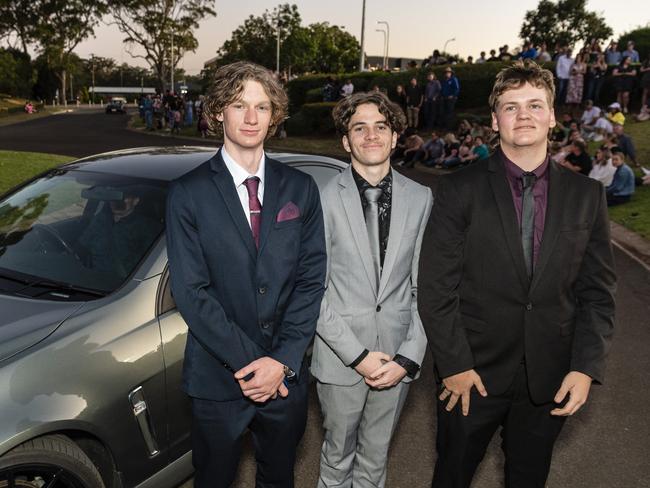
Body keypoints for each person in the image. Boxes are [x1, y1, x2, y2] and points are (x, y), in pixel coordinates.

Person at [419, 60, 616, 488]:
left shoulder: (588, 196)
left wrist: (585, 367)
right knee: (451, 476)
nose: (523, 115)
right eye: (511, 107)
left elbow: (597, 294)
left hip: (551, 377)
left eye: (534, 105)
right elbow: (436, 286)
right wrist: (453, 364)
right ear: (495, 119)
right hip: (470, 376)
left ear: (551, 117)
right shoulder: (458, 189)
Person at [165, 61, 326, 488]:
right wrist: (254, 364)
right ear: (218, 111)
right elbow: (191, 291)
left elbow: (311, 281)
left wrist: (283, 360)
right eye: (239, 105)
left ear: (274, 115)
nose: (251, 118)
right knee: (214, 479)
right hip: (218, 377)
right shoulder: (188, 192)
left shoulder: (301, 188)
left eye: (262, 106)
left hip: (285, 378)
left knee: (279, 479)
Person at [312, 91, 432, 488]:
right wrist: (357, 356)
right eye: (359, 128)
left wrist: (408, 357)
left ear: (395, 137)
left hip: (397, 357)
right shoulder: (322, 199)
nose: (371, 136)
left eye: (381, 127)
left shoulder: (421, 198)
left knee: (375, 460)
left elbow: (425, 286)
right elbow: (314, 288)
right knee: (336, 458)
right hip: (340, 356)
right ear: (346, 141)